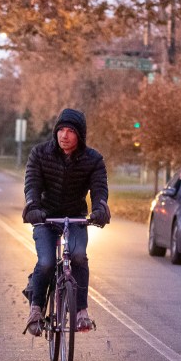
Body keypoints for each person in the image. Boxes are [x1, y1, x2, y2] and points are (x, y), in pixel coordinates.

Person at [21, 108, 110, 336]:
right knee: (47, 262)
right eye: (61, 129)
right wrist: (32, 206)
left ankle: (81, 312)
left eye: (71, 131)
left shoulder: (93, 159)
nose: (64, 135)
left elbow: (99, 189)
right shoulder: (40, 154)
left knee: (78, 256)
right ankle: (36, 310)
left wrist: (100, 208)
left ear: (80, 135)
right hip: (46, 216)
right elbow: (32, 184)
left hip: (76, 217)